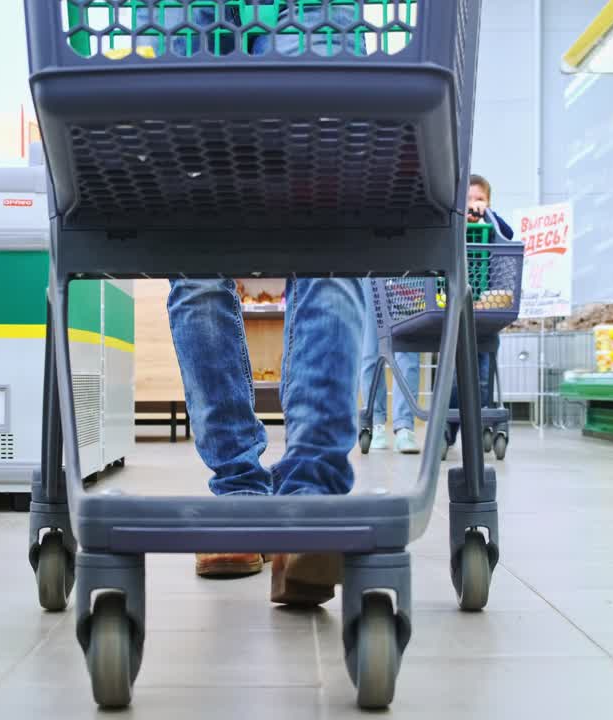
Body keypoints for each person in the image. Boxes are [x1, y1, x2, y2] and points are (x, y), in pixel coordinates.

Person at [157, 4, 363, 607]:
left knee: (319, 256)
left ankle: (283, 502)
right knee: (326, 258)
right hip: (252, 142)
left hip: (267, 142)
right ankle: (291, 502)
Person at [445, 174, 514, 448]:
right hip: (454, 311)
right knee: (454, 379)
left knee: (483, 376)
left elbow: (508, 235)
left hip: (485, 314)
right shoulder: (454, 229)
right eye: (469, 199)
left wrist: (490, 216)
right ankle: (448, 428)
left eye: (481, 199)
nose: (475, 205)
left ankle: (481, 423)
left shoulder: (492, 229)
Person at [359, 283, 422, 454]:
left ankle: (404, 427)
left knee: (407, 348)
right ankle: (376, 423)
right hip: (370, 268)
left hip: (409, 270)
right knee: (370, 350)